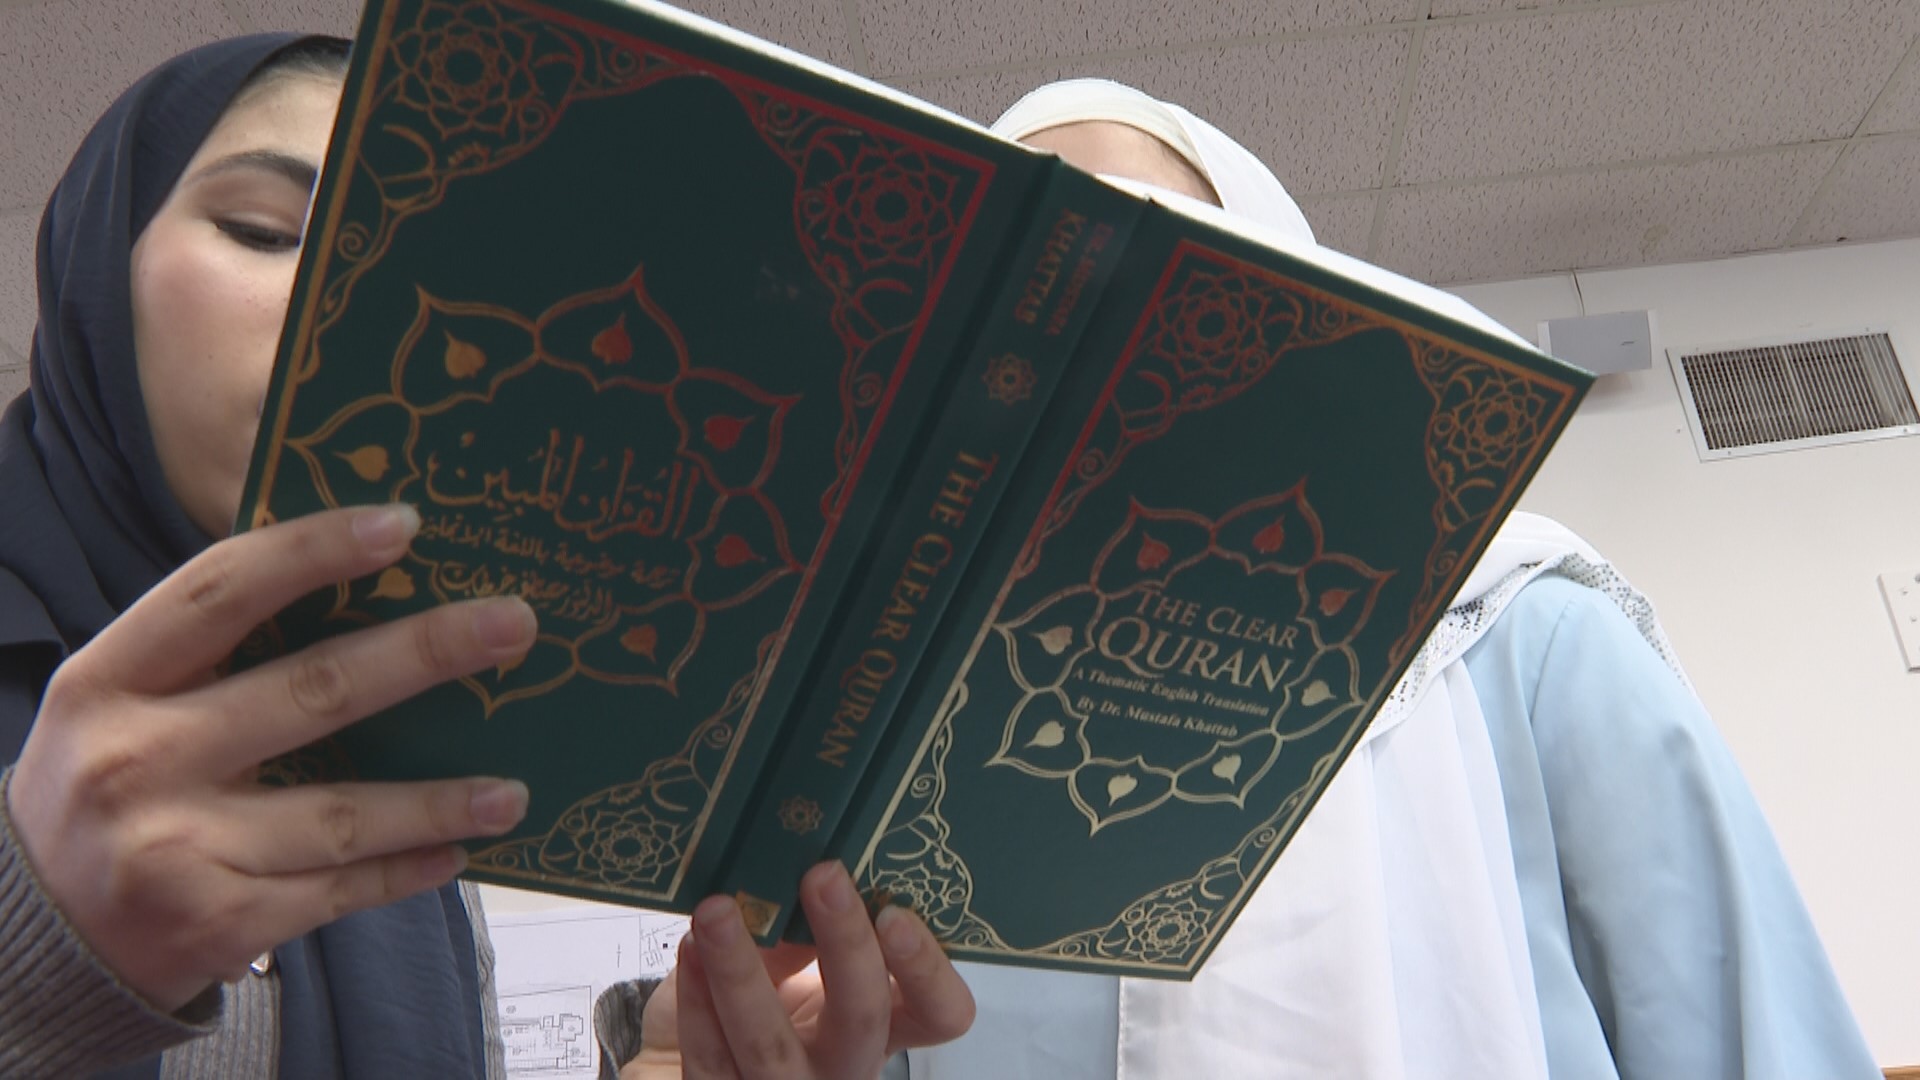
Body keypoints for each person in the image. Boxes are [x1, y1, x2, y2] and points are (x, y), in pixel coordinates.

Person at [0, 34, 973, 1079]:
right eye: (266, 231)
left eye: (416, 272)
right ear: (95, 277)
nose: (352, 303)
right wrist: (32, 952)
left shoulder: (399, 755)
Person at [891, 78, 1884, 1080]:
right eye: (1037, 298)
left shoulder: (1523, 640)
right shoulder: (915, 776)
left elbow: (1762, 1049)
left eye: (1147, 264)